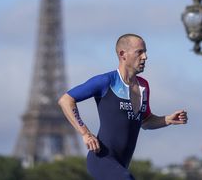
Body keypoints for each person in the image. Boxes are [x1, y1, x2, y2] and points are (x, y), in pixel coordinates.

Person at [58, 33, 188, 180]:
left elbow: (144, 121)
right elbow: (66, 100)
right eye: (140, 52)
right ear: (122, 54)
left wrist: (167, 120)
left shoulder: (144, 86)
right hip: (102, 159)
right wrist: (85, 133)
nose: (145, 57)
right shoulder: (106, 81)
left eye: (145, 52)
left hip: (121, 164)